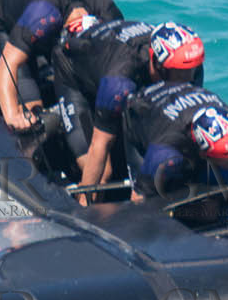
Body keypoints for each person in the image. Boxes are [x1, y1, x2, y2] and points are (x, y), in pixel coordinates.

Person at [62, 19, 205, 194]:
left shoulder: (191, 68)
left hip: (124, 74)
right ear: (157, 64)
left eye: (189, 73)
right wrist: (85, 197)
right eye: (178, 74)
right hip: (75, 72)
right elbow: (100, 142)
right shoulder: (119, 81)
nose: (185, 82)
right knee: (104, 173)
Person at [0, 0, 121, 140]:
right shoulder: (41, 14)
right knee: (29, 102)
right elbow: (6, 64)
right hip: (7, 7)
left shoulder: (108, 13)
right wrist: (12, 116)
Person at [123, 78, 228, 218]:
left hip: (184, 100)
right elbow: (138, 199)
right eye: (226, 154)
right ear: (204, 154)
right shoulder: (163, 155)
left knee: (215, 205)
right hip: (143, 118)